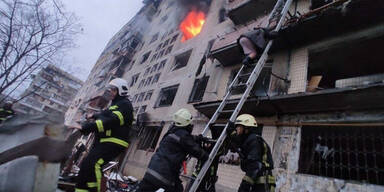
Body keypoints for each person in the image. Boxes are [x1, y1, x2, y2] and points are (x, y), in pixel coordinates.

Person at [75, 78, 134, 192]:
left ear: (120, 91)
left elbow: (110, 121)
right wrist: (92, 115)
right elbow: (104, 114)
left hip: (114, 141)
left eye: (113, 89)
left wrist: (84, 127)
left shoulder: (125, 105)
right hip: (105, 141)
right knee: (86, 165)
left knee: (94, 164)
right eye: (109, 89)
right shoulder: (115, 105)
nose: (110, 92)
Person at [137, 108, 209, 192]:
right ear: (187, 123)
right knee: (178, 189)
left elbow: (185, 139)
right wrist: (207, 154)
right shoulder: (184, 137)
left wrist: (197, 138)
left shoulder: (170, 133)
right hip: (165, 176)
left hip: (151, 172)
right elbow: (197, 152)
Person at [227, 114, 275, 192]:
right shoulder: (249, 140)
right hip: (258, 181)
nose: (237, 129)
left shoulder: (254, 140)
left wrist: (244, 187)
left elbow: (254, 166)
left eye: (238, 127)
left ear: (246, 128)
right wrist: (232, 134)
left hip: (263, 184)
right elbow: (239, 144)